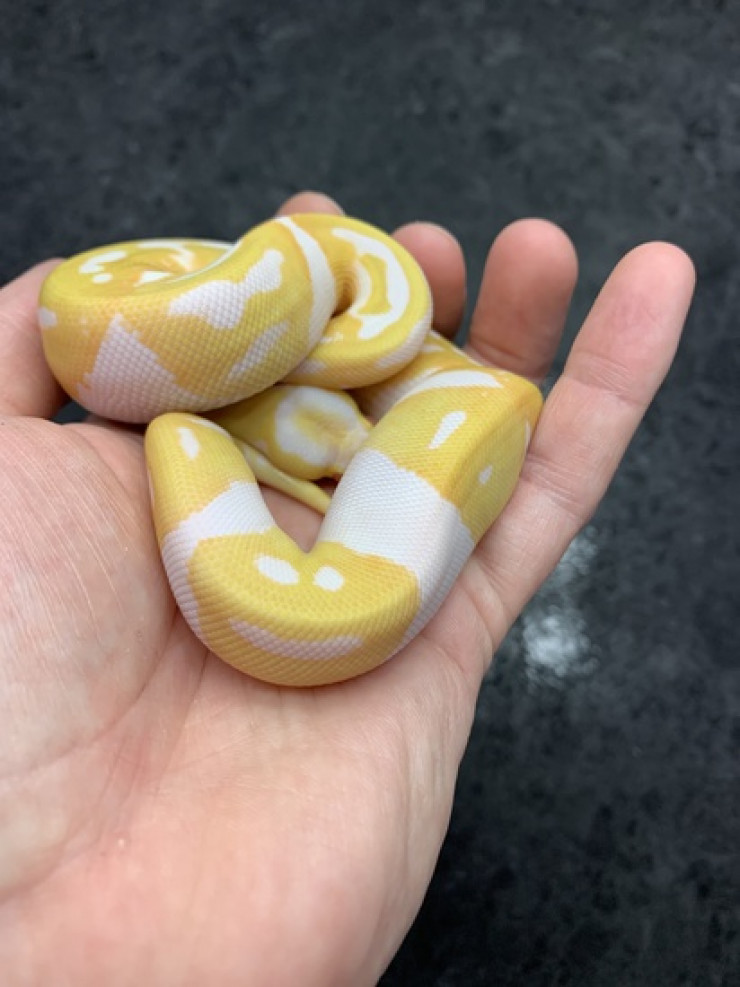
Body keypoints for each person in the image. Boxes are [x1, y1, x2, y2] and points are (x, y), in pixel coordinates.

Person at [0, 191, 694, 985]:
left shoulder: (190, 422)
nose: (360, 456)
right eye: (341, 465)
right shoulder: (202, 420)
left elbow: (198, 414)